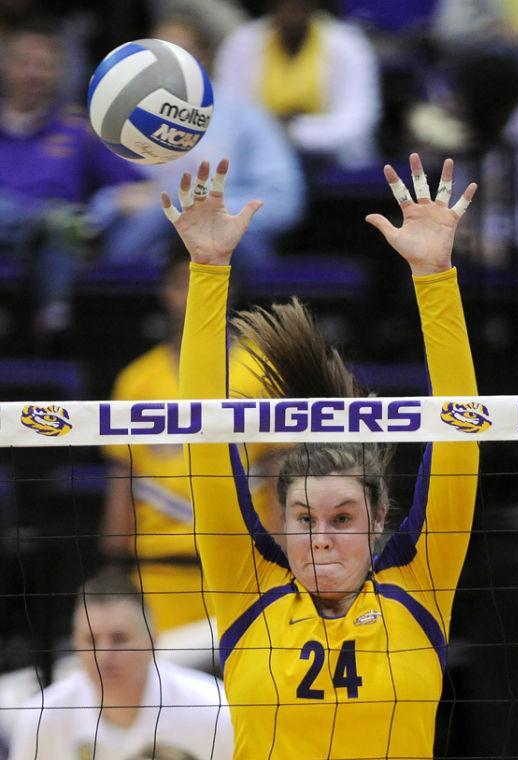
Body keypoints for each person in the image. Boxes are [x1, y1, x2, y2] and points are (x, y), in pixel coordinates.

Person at [163, 152, 479, 757]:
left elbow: (460, 440)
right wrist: (209, 270)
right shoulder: (249, 589)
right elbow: (203, 438)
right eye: (305, 520)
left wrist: (435, 277)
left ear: (378, 520)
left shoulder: (419, 584)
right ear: (280, 523)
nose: (321, 538)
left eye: (342, 519)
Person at [101, 243, 286, 633]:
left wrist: (285, 560)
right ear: (164, 294)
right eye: (180, 284)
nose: (190, 295)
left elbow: (281, 474)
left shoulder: (263, 372)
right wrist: (114, 566)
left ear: (226, 290)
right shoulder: (137, 380)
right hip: (159, 575)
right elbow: (122, 481)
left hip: (248, 567)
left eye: (198, 284)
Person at [95, 6, 305, 276]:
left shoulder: (243, 115)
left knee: (191, 216)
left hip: (228, 247)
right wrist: (114, 201)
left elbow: (286, 202)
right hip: (147, 245)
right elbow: (95, 204)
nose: (165, 70)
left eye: (178, 57)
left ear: (206, 58)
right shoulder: (122, 116)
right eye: (156, 59)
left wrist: (194, 207)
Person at [0, 20, 143, 339]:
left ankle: (52, 322)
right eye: (25, 63)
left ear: (60, 74)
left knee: (60, 233)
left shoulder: (80, 131)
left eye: (44, 66)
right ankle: (41, 223)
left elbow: (137, 187)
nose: (34, 75)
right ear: (6, 66)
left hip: (56, 249)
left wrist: (111, 205)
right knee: (49, 219)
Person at [8, 567, 233, 759]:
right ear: (75, 645)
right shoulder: (40, 720)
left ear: (152, 642)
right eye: (91, 640)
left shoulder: (216, 711)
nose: (104, 654)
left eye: (119, 638)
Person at [214, 0, 382, 167]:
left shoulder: (348, 44)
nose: (292, 9)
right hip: (258, 159)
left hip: (333, 161)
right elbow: (230, 117)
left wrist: (291, 130)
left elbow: (356, 125)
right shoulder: (241, 43)